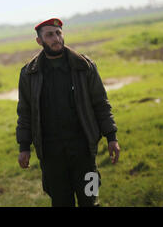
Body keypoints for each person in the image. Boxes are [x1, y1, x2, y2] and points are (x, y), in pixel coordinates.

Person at [15, 18, 120, 207]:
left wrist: (111, 136)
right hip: (51, 154)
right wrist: (24, 146)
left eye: (58, 33)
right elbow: (25, 112)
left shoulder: (84, 66)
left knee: (90, 199)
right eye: (49, 35)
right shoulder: (29, 73)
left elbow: (101, 103)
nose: (56, 38)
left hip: (84, 151)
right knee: (61, 202)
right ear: (39, 41)